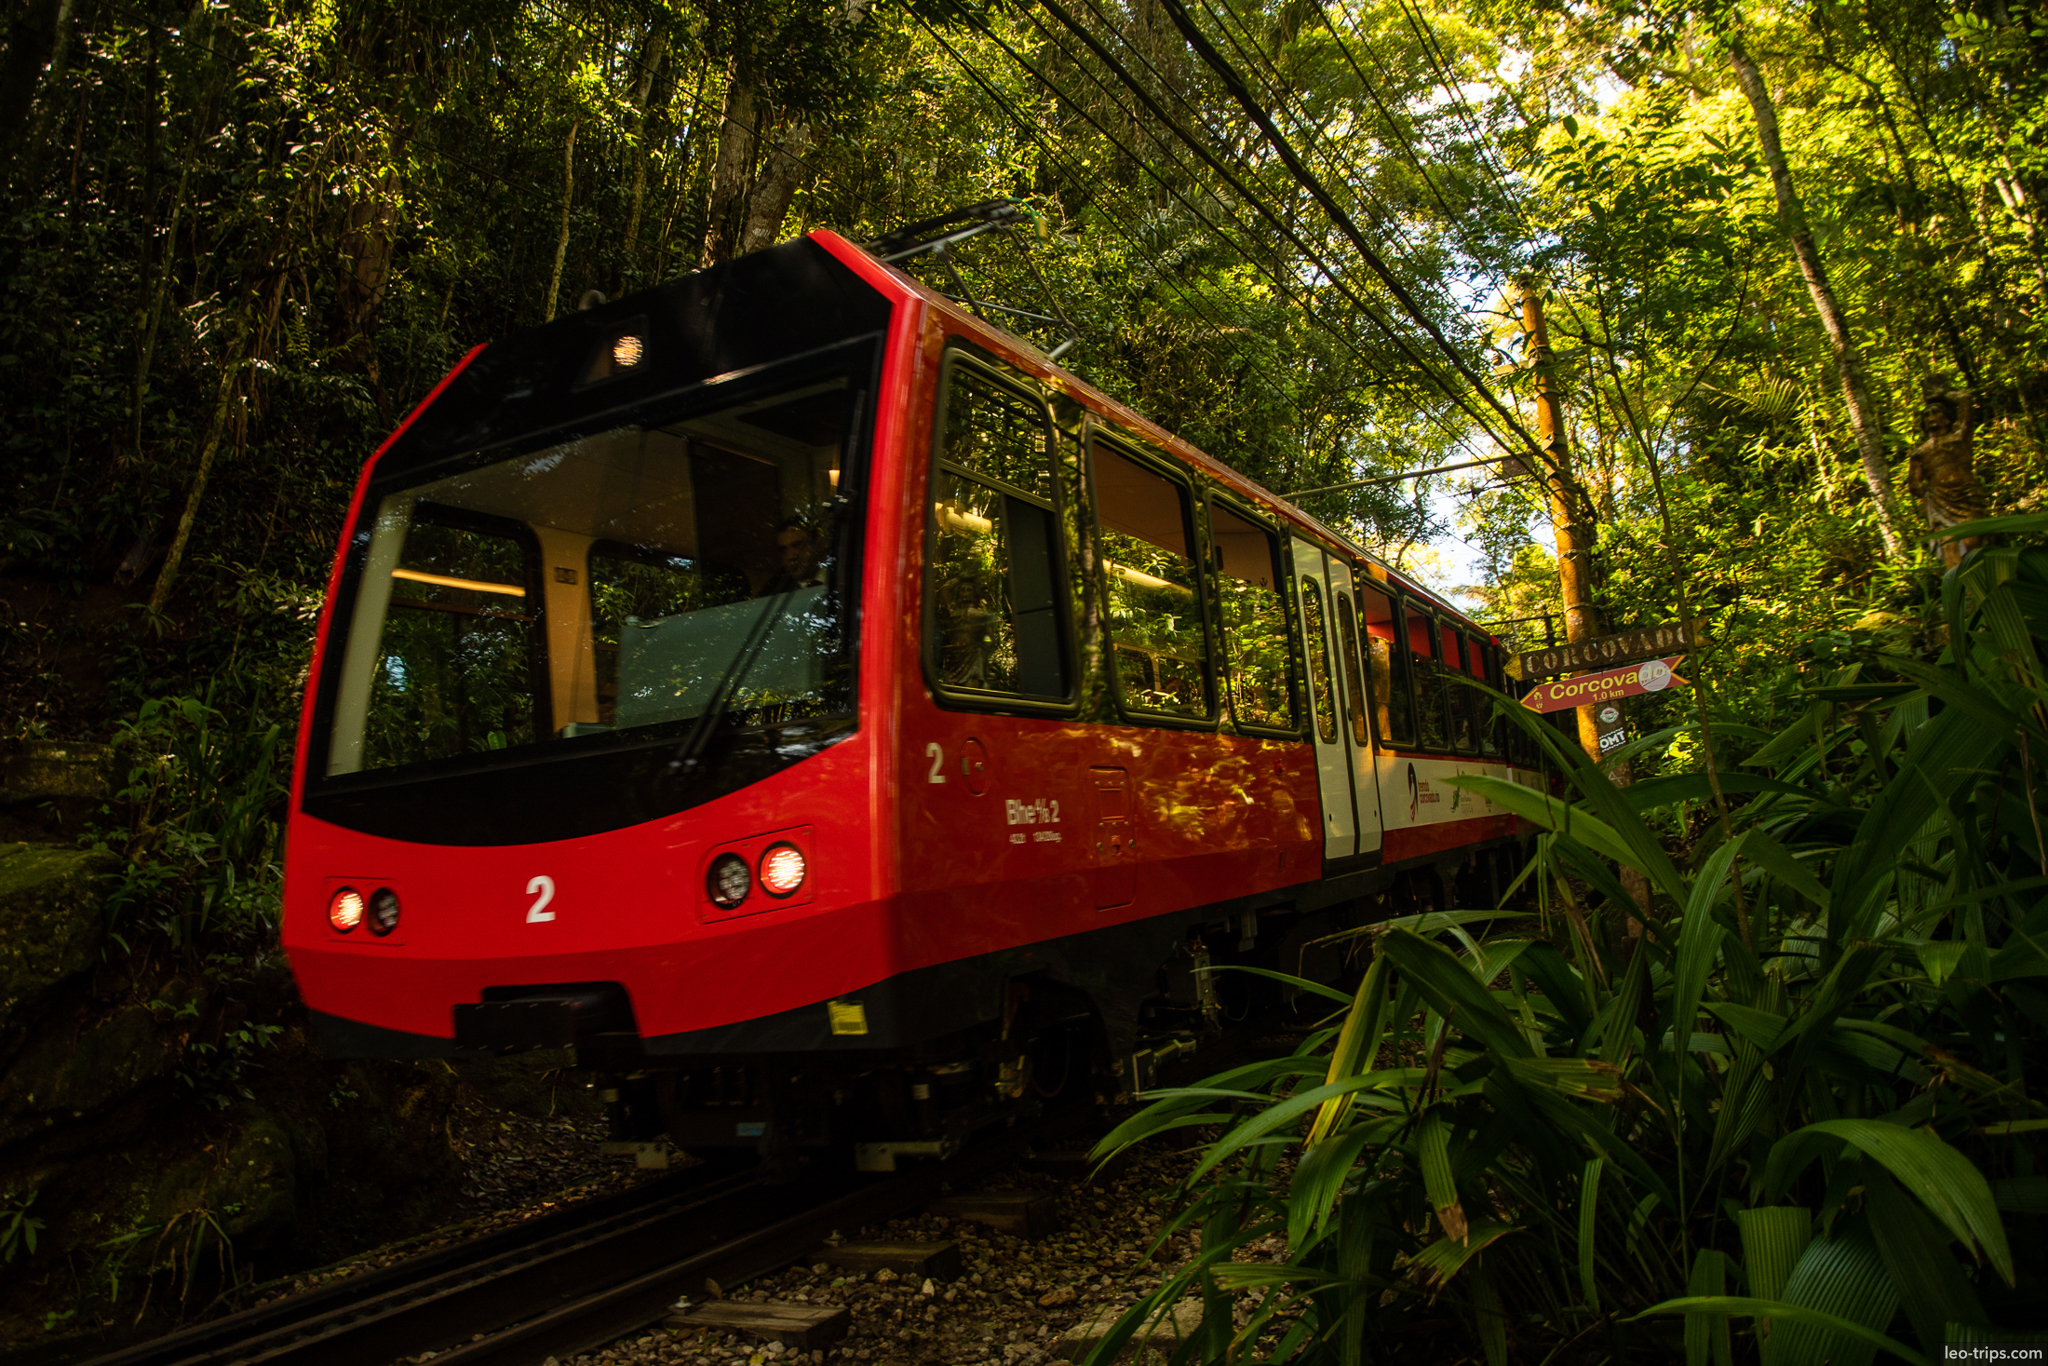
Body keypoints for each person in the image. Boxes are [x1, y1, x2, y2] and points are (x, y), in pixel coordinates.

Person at [761, 517, 825, 594]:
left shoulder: (840, 570)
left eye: (798, 545)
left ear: (817, 544)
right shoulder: (774, 591)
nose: (790, 557)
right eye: (784, 551)